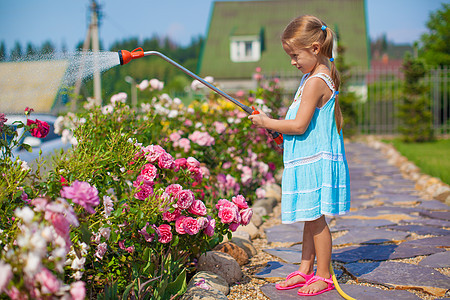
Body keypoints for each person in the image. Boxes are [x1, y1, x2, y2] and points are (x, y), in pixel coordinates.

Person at [248, 15, 351, 296]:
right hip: (308, 158)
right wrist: (279, 131)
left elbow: (299, 125)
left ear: (315, 49)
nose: (292, 61)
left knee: (317, 221)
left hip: (315, 162)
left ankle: (324, 275)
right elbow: (301, 126)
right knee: (310, 216)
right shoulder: (311, 76)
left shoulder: (317, 80)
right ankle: (305, 270)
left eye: (295, 55)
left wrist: (267, 122)